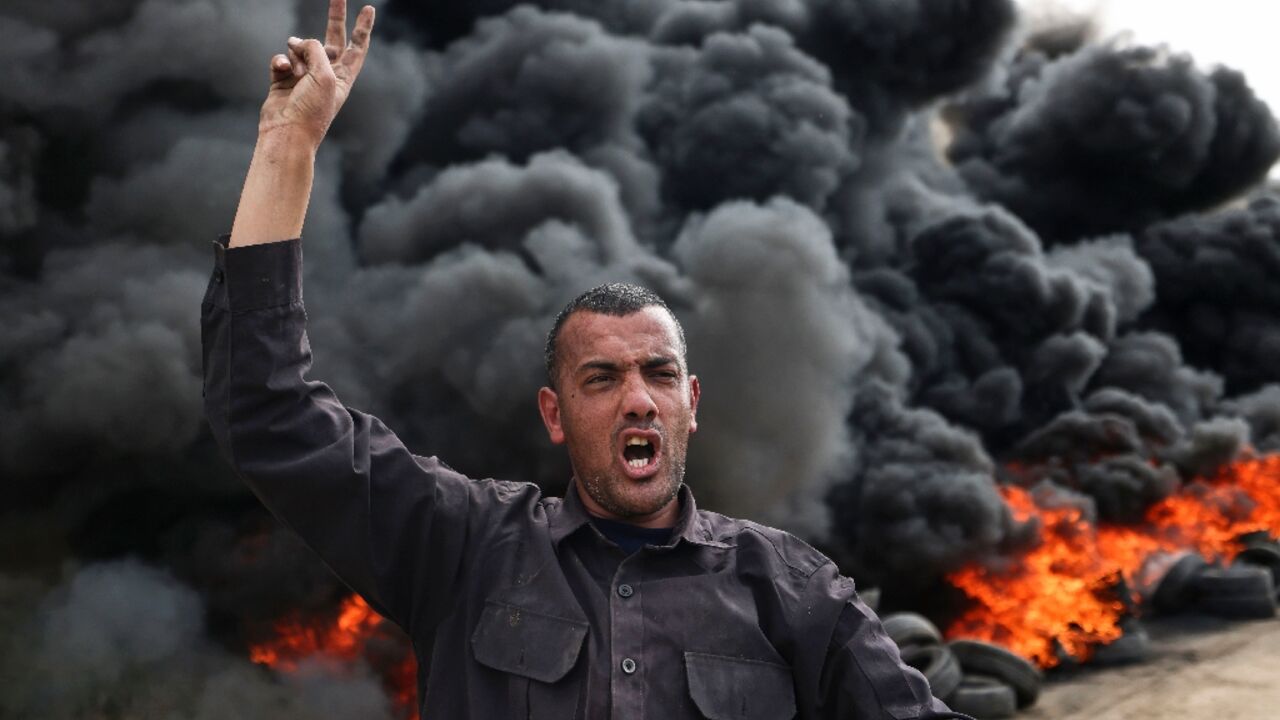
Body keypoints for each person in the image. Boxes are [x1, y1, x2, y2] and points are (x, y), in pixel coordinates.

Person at [203, 1, 972, 717]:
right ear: (555, 414)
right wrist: (287, 146)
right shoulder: (464, 548)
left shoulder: (792, 592)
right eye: (601, 378)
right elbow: (269, 414)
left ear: (691, 403)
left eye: (658, 374)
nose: (638, 399)